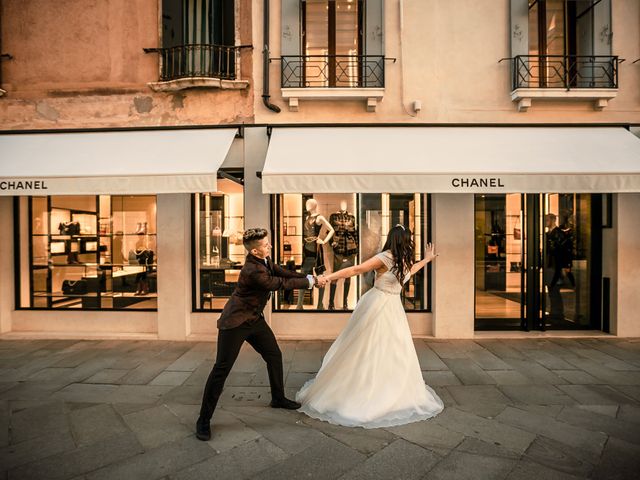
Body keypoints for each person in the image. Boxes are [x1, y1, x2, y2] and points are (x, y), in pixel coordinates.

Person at [296, 225, 444, 428]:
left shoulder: (400, 259)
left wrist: (427, 260)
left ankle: (383, 387)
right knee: (369, 346)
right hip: (379, 306)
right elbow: (356, 270)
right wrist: (329, 278)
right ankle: (368, 387)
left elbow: (408, 270)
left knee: (391, 349)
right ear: (405, 240)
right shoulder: (387, 258)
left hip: (390, 306)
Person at [196, 228, 327, 441]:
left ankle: (278, 398)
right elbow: (279, 284)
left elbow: (283, 273)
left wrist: (310, 277)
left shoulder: (264, 260)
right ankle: (203, 420)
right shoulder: (252, 270)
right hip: (236, 322)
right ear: (255, 252)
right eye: (266, 245)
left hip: (255, 319)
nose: (271, 247)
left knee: (274, 355)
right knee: (221, 369)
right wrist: (311, 282)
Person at [296, 198, 334, 310]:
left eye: (309, 203)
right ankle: (299, 304)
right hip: (307, 250)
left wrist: (324, 241)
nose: (307, 205)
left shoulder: (319, 217)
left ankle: (320, 304)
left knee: (320, 277)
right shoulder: (307, 217)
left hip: (316, 250)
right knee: (303, 277)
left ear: (315, 205)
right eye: (306, 203)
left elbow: (331, 230)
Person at [544, 213, 565, 323]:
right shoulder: (547, 234)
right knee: (551, 289)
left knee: (555, 289)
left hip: (555, 265)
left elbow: (562, 251)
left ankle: (558, 313)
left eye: (547, 219)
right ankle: (554, 311)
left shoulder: (559, 234)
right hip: (549, 264)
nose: (545, 221)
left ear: (553, 220)